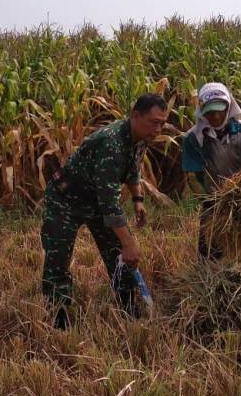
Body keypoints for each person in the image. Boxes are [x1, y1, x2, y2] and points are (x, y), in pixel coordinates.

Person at [40, 93, 169, 329]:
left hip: (96, 201)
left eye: (162, 122)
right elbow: (110, 203)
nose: (158, 128)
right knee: (58, 260)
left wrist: (138, 198)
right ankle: (57, 320)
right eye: (154, 122)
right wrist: (129, 242)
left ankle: (130, 310)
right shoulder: (111, 143)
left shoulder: (140, 137)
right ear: (135, 116)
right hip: (66, 200)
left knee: (119, 256)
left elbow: (133, 169)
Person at [181, 82, 241, 259]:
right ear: (201, 109)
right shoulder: (193, 138)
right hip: (212, 200)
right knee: (211, 253)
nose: (214, 116)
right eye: (209, 111)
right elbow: (192, 176)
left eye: (219, 110)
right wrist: (211, 201)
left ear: (228, 106)